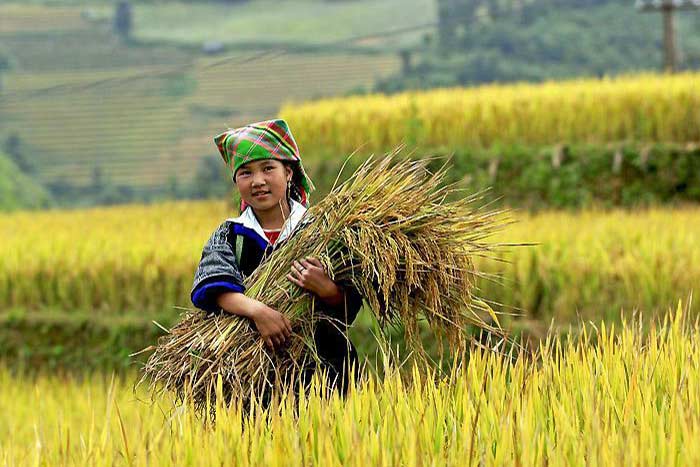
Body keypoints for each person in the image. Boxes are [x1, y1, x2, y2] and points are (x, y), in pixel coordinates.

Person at [190, 118, 363, 403]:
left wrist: (327, 288)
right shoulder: (230, 235)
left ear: (289, 173)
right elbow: (214, 288)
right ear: (236, 182)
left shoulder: (322, 231)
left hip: (327, 373)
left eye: (268, 168)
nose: (258, 181)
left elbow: (350, 306)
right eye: (245, 173)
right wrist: (258, 312)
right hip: (254, 381)